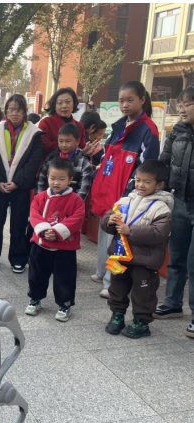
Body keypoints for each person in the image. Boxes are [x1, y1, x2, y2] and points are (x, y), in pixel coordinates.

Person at [91, 81, 160, 300]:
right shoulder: (119, 125)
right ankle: (102, 271)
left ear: (142, 100)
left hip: (127, 192)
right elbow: (107, 156)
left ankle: (112, 282)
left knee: (119, 237)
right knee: (105, 229)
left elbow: (147, 166)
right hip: (108, 186)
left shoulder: (148, 129)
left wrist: (132, 191)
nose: (125, 105)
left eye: (130, 100)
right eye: (121, 101)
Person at [101, 160, 173, 338]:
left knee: (143, 293)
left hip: (144, 260)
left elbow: (159, 233)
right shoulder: (125, 200)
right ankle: (117, 315)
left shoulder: (161, 208)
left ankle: (141, 321)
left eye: (147, 182)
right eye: (138, 180)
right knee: (117, 288)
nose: (140, 185)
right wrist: (109, 221)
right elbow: (107, 220)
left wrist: (130, 230)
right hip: (120, 256)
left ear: (159, 184)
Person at [0, 94, 43, 273]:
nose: (14, 113)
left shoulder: (33, 133)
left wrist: (17, 182)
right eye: (11, 110)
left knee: (19, 223)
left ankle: (18, 257)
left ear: (24, 112)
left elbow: (33, 162)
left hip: (20, 187)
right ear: (6, 111)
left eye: (18, 110)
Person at [154, 86, 194, 338]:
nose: (181, 108)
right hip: (180, 201)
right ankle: (172, 304)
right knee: (176, 256)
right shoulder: (177, 131)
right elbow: (163, 162)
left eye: (187, 104)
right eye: (180, 104)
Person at [26, 159, 86, 322]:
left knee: (65, 277)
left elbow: (77, 219)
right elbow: (34, 215)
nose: (56, 182)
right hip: (41, 243)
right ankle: (35, 298)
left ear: (70, 179)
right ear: (47, 177)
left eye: (61, 179)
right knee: (36, 274)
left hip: (65, 246)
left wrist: (57, 232)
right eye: (52, 178)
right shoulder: (40, 197)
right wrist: (44, 230)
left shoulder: (76, 200)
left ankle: (64, 304)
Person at [37, 123, 92, 201]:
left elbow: (84, 189)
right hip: (49, 201)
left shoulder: (84, 162)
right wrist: (41, 200)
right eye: (61, 141)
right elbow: (41, 181)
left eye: (68, 141)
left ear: (77, 141)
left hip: (71, 204)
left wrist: (73, 204)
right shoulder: (51, 158)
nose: (64, 145)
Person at [38, 88, 93, 161]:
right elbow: (43, 144)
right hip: (51, 164)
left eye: (68, 102)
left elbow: (81, 147)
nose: (64, 106)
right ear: (55, 106)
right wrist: (68, 145)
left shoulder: (79, 126)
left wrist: (86, 151)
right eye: (60, 103)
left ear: (73, 104)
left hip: (74, 165)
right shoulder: (46, 122)